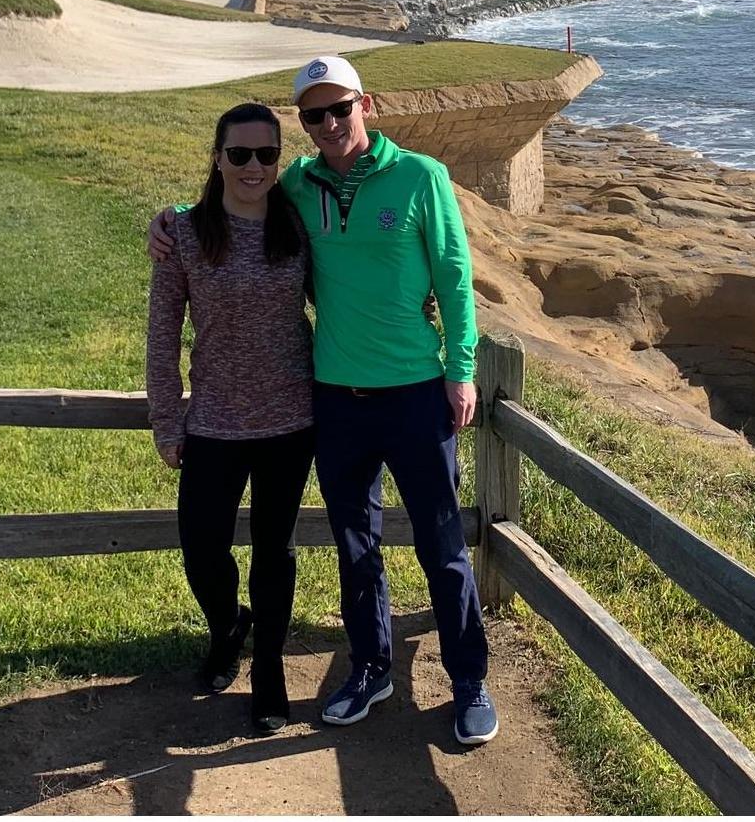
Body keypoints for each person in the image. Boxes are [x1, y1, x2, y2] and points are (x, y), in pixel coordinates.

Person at [150, 55, 498, 747]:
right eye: (314, 114)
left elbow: (455, 282)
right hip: (335, 399)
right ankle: (371, 667)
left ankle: (469, 681)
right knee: (355, 546)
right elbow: (221, 210)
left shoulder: (421, 176)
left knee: (441, 544)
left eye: (341, 107)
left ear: (366, 104)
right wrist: (168, 219)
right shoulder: (299, 187)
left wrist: (461, 371)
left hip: (415, 392)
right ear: (303, 125)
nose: (330, 122)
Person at [146, 101, 315, 735]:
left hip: (290, 421)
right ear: (217, 158)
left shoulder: (299, 228)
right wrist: (167, 420)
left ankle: (268, 667)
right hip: (212, 421)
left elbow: (352, 286)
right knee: (201, 546)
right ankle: (228, 626)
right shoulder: (184, 234)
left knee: (276, 550)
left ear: (279, 161)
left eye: (266, 155)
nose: (252, 166)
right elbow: (162, 338)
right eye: (239, 153)